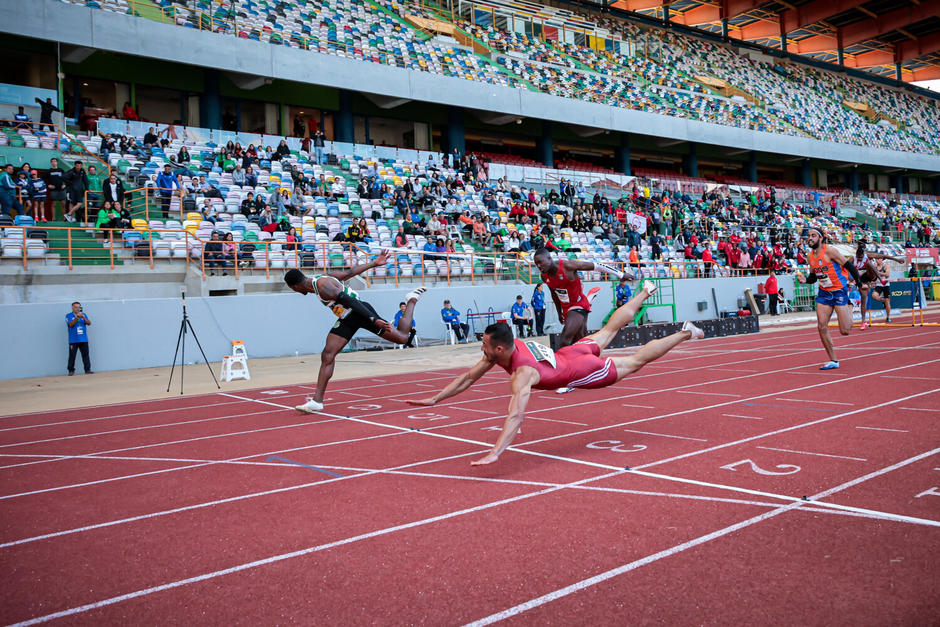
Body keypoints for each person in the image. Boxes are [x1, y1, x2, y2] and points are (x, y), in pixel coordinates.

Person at [406, 282, 703, 466]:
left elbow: (516, 416)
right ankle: (645, 292)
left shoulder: (521, 373)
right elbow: (468, 377)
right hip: (573, 353)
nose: (481, 350)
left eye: (484, 345)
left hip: (583, 369)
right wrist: (435, 398)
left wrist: (496, 452)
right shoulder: (509, 345)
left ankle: (685, 332)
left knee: (636, 361)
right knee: (609, 329)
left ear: (499, 350)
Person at [285, 255, 427, 413]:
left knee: (403, 338)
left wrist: (373, 319)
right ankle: (317, 401)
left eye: (292, 289)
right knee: (328, 354)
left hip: (360, 312)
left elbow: (351, 302)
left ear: (295, 286)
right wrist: (373, 263)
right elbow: (349, 273)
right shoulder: (319, 281)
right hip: (347, 317)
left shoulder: (323, 286)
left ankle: (412, 300)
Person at [796, 227, 863, 370]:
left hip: (839, 291)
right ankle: (833, 360)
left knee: (845, 331)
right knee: (821, 326)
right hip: (824, 293)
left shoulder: (830, 251)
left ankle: (850, 305)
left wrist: (859, 282)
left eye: (813, 235)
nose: (810, 238)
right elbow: (814, 277)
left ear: (821, 238)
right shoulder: (810, 256)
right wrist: (805, 281)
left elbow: (850, 266)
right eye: (809, 236)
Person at [66, 301, 93, 375]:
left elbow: (89, 323)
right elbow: (71, 325)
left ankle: (87, 370)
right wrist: (76, 317)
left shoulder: (84, 315)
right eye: (75, 307)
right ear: (72, 308)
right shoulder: (68, 315)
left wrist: (83, 317)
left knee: (86, 355)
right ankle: (71, 370)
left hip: (83, 339)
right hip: (73, 340)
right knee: (72, 356)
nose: (77, 308)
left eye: (79, 307)